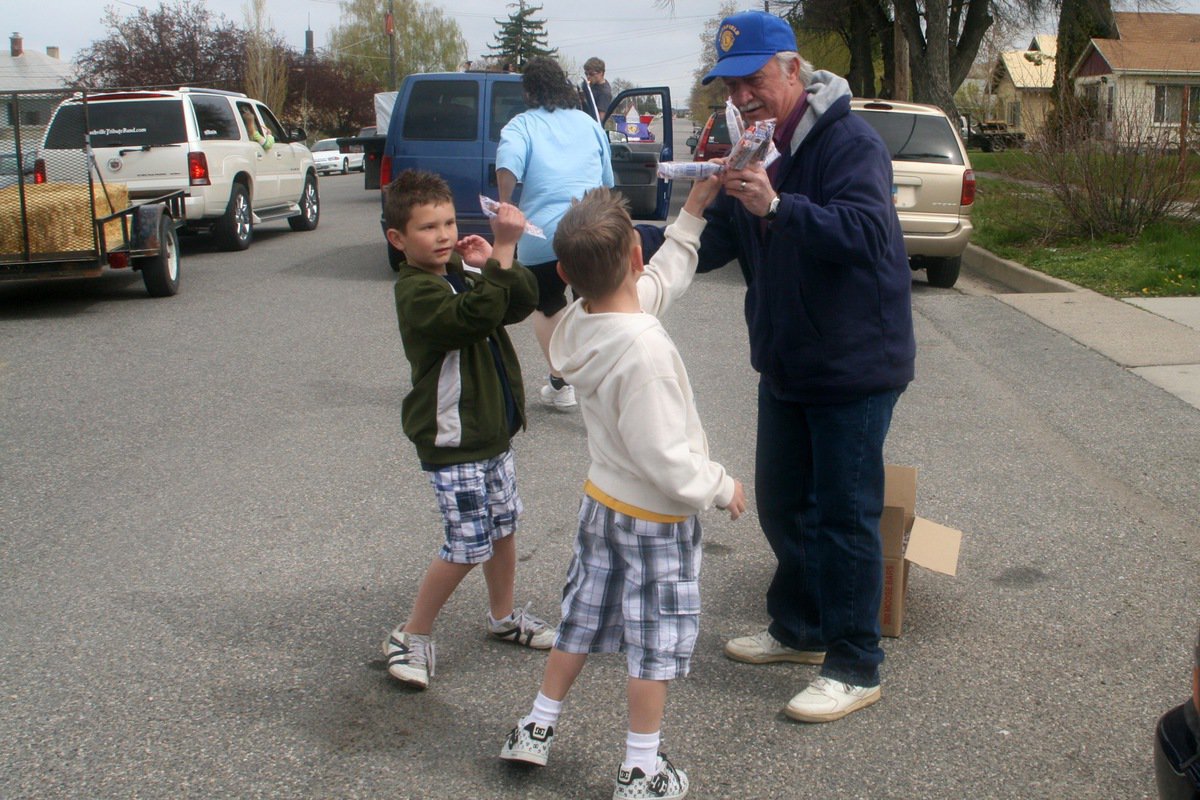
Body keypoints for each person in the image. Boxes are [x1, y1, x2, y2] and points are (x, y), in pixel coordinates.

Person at [674, 10, 916, 723]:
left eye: (753, 78)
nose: (742, 94)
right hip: (787, 360)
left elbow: (869, 236)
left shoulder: (848, 141)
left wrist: (781, 205)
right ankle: (801, 629)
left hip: (854, 364)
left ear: (792, 68)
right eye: (731, 83)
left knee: (844, 517)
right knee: (782, 502)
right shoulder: (754, 143)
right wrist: (641, 242)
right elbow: (717, 239)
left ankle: (855, 663)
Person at [498, 178, 747, 800]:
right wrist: (720, 486)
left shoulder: (582, 323)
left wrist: (691, 215)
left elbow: (656, 286)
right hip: (655, 519)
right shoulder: (646, 351)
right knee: (655, 642)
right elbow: (664, 458)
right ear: (636, 254)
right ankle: (640, 768)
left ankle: (536, 725)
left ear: (565, 271)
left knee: (580, 618)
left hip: (601, 506)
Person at [380, 169, 556, 690]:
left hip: (490, 432)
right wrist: (502, 252)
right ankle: (410, 635)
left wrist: (494, 261)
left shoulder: (460, 270)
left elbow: (518, 303)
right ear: (398, 239)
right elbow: (477, 318)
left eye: (449, 223)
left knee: (503, 528)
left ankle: (502, 617)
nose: (443, 236)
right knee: (466, 544)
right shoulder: (415, 292)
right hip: (452, 439)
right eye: (427, 227)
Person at [496, 56, 614, 411]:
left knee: (547, 306)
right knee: (594, 306)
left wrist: (505, 202)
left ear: (529, 90)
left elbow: (508, 163)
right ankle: (604, 385)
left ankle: (561, 384)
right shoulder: (588, 123)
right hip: (589, 226)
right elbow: (607, 181)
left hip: (541, 233)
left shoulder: (521, 125)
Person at [579, 56, 612, 122]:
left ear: (601, 73)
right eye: (586, 74)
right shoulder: (590, 85)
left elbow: (599, 120)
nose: (588, 77)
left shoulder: (604, 93)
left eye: (591, 74)